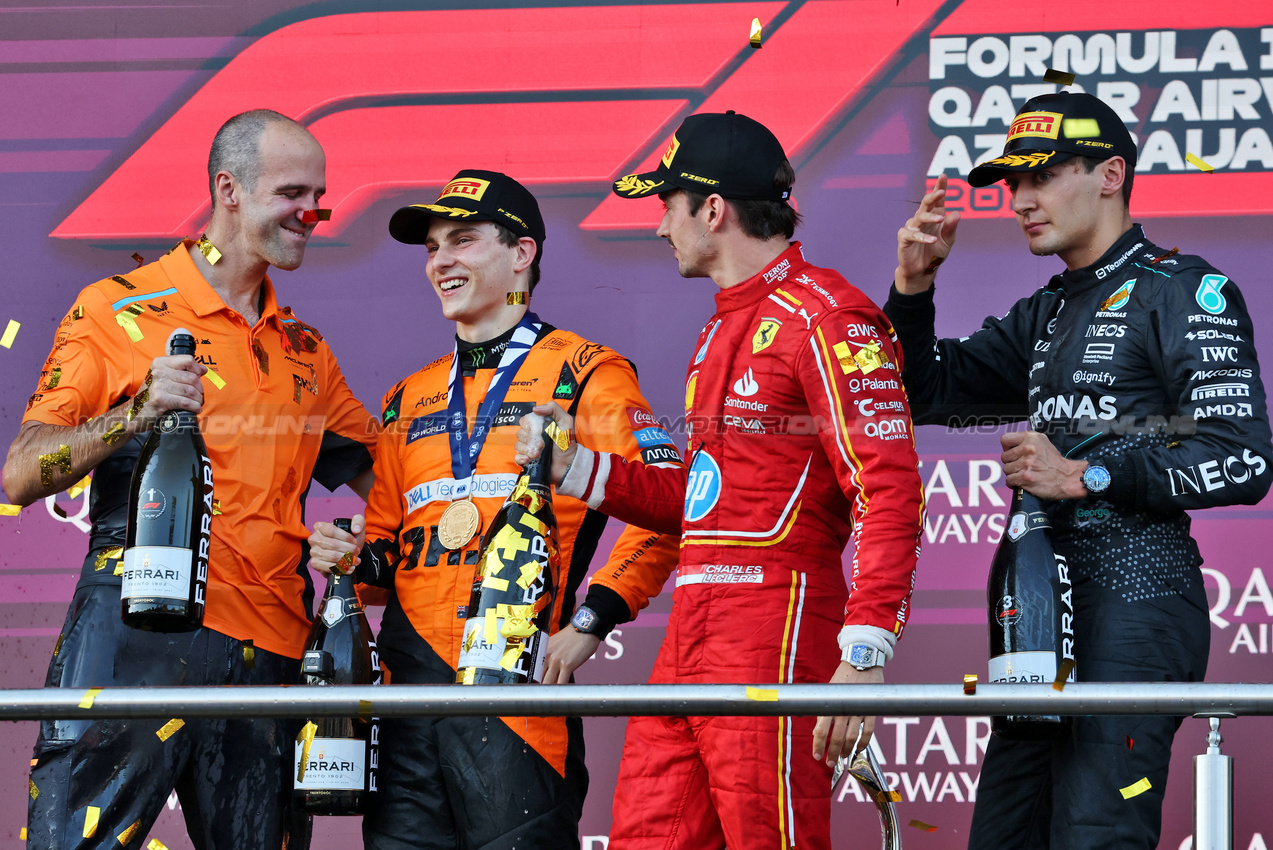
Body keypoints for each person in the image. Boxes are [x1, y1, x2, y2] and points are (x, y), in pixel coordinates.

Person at [516, 111, 924, 850]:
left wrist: (864, 657)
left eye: (665, 206)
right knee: (646, 836)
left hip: (778, 621)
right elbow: (705, 505)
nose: (657, 227)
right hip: (690, 631)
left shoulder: (828, 317)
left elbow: (887, 488)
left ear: (711, 209)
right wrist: (575, 466)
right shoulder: (716, 329)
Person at [887, 91, 1272, 849]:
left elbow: (1245, 456)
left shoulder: (1182, 289)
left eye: (1042, 177)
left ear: (1110, 174)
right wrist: (913, 289)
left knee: (1095, 836)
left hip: (1136, 603)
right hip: (1036, 618)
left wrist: (1087, 477)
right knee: (1003, 839)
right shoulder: (1048, 311)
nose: (1020, 201)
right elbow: (922, 390)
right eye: (1011, 185)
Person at [3, 109, 378, 850]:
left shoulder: (306, 349)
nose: (312, 212)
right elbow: (19, 474)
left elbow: (385, 477)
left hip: (271, 654)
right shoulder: (119, 309)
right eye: (292, 193)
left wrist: (380, 532)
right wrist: (134, 414)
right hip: (134, 636)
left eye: (320, 196)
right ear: (228, 190)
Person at [306, 169, 681, 850]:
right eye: (430, 248)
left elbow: (669, 509)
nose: (440, 261)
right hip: (406, 704)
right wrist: (348, 559)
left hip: (516, 699)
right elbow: (383, 556)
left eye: (463, 240)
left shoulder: (586, 371)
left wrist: (593, 620)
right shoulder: (407, 398)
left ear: (521, 253)